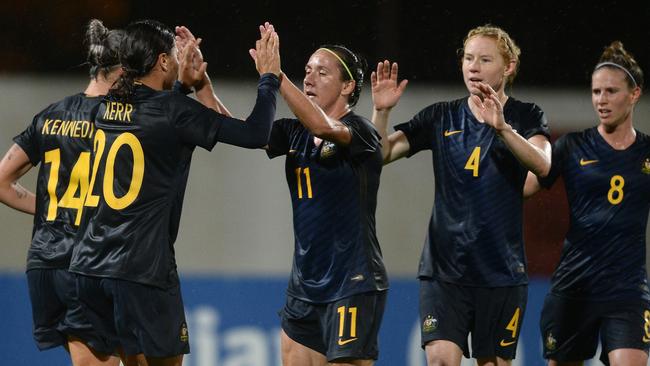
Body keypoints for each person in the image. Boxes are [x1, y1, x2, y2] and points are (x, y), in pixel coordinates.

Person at [68, 20, 281, 366]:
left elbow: (153, 118)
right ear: (163, 62)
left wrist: (183, 84)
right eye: (171, 55)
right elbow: (256, 134)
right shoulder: (173, 111)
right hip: (143, 271)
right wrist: (269, 78)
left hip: (90, 268)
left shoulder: (105, 107)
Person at [371, 25, 552, 365]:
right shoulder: (441, 116)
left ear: (508, 66)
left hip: (501, 272)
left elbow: (543, 165)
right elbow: (378, 155)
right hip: (444, 270)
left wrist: (502, 128)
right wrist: (381, 113)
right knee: (440, 359)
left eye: (485, 59)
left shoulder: (526, 116)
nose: (473, 67)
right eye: (468, 58)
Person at [251, 23, 388, 366]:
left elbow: (324, 127)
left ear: (348, 86)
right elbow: (246, 132)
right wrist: (202, 87)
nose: (309, 78)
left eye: (321, 72)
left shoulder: (361, 132)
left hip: (352, 281)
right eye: (307, 71)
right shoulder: (292, 132)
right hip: (305, 285)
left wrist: (276, 75)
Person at [0, 19, 124, 366]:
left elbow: (2, 181)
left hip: (43, 263)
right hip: (87, 262)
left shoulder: (50, 115)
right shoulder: (117, 120)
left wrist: (50, 208)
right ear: (122, 70)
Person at [526, 41, 649, 366]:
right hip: (574, 286)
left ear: (634, 94)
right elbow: (524, 188)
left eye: (610, 91)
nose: (601, 100)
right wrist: (502, 135)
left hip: (627, 289)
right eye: (596, 92)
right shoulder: (572, 146)